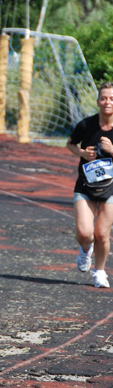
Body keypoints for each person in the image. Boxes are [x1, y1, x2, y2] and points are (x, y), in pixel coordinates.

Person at [66, 82, 113, 288]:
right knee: (85, 233)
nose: (107, 102)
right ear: (97, 101)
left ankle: (100, 272)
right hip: (85, 186)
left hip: (111, 188)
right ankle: (85, 250)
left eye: (111, 98)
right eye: (103, 98)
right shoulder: (86, 125)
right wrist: (82, 153)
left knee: (102, 233)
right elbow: (70, 144)